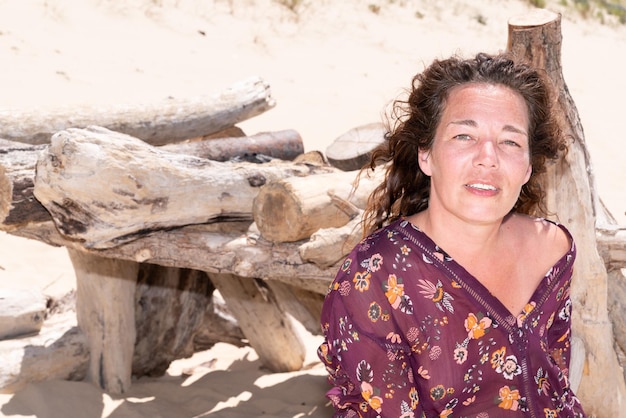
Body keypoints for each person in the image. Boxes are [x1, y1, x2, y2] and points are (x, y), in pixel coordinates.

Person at [317, 52, 588, 417]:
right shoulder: (374, 279)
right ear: (426, 155)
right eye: (464, 136)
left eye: (510, 142)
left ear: (527, 168)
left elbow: (556, 384)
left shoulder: (552, 249)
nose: (488, 157)